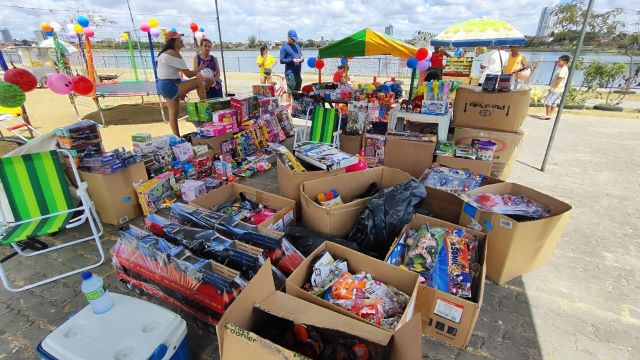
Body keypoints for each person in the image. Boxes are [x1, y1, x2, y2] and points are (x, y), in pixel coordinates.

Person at [156, 31, 206, 136]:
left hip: (163, 85)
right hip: (171, 85)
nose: (182, 41)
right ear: (174, 41)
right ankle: (205, 106)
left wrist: (182, 89)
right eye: (179, 39)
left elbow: (169, 74)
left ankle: (177, 137)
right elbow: (188, 74)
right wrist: (199, 69)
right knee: (198, 81)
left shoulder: (164, 54)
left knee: (173, 114)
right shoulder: (174, 53)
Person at [543, 55, 570, 120]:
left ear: (565, 62)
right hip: (559, 89)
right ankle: (549, 115)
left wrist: (553, 88)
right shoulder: (563, 69)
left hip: (557, 89)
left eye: (560, 61)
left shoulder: (563, 70)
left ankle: (548, 115)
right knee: (553, 102)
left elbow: (560, 79)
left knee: (548, 101)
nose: (558, 62)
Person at [280, 29, 303, 99]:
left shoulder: (297, 46)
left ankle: (295, 107)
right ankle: (288, 107)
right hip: (290, 72)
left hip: (298, 72)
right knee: (290, 90)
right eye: (292, 39)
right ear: (288, 37)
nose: (294, 40)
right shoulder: (284, 47)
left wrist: (302, 59)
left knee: (297, 91)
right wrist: (292, 60)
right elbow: (281, 60)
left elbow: (301, 56)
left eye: (295, 39)